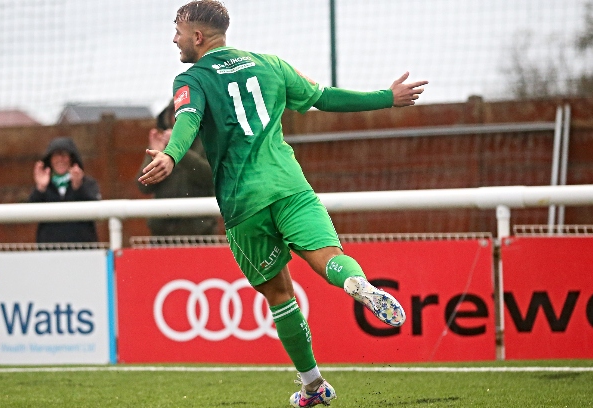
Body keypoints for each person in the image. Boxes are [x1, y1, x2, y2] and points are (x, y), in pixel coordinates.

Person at [138, 1, 428, 406]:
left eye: (178, 31)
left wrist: (171, 153)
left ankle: (314, 385)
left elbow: (185, 120)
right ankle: (354, 283)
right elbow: (325, 98)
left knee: (279, 295)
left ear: (198, 37)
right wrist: (386, 96)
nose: (174, 38)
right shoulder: (270, 64)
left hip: (244, 204)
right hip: (291, 186)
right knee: (328, 258)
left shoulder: (192, 78)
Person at [135, 100, 218, 236]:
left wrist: (178, 150)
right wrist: (154, 159)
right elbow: (143, 187)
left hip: (200, 234)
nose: (179, 118)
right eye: (175, 113)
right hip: (162, 235)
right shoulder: (161, 143)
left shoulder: (208, 140)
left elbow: (211, 177)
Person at [29, 136, 101, 243]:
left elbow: (98, 211)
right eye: (55, 155)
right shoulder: (44, 186)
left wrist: (78, 187)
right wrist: (40, 188)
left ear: (72, 159)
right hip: (49, 251)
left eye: (64, 155)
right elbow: (29, 213)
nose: (60, 159)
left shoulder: (88, 183)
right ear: (50, 160)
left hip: (83, 250)